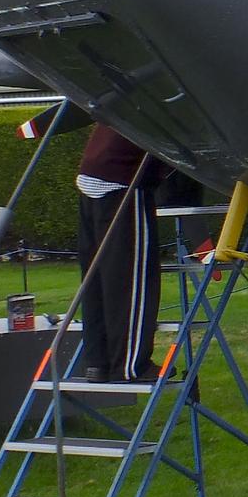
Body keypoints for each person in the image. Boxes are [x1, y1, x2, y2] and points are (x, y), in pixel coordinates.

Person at [76, 125, 164, 383]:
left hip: (92, 175)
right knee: (131, 278)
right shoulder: (157, 93)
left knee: (96, 279)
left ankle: (97, 362)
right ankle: (131, 365)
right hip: (123, 181)